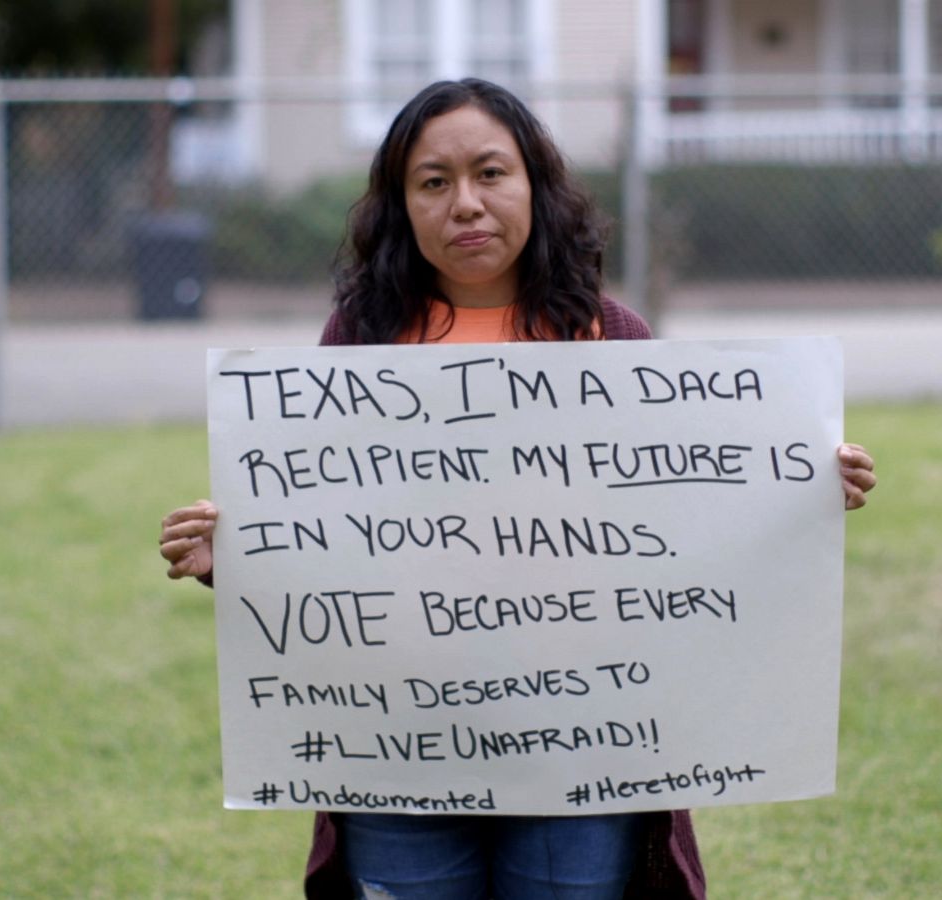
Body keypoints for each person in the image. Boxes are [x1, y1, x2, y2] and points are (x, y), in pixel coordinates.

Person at [158, 78, 878, 900]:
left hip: (583, 735)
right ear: (402, 206)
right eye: (434, 182)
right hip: (399, 738)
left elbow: (683, 516)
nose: (465, 203)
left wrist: (797, 489)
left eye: (491, 173)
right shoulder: (360, 340)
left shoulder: (611, 336)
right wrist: (238, 554)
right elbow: (326, 529)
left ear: (536, 184)